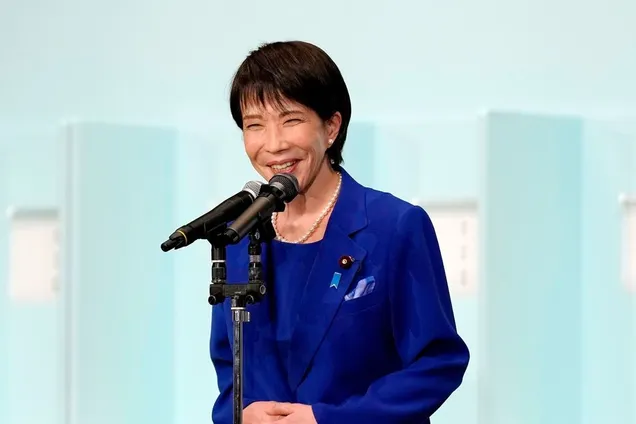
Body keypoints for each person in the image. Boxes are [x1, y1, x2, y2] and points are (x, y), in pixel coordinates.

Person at [210, 40, 469, 424]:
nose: (274, 144)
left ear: (331, 127)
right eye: (255, 125)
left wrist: (327, 419)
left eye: (291, 120)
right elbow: (228, 363)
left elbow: (438, 362)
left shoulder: (394, 225)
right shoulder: (236, 237)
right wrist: (240, 413)